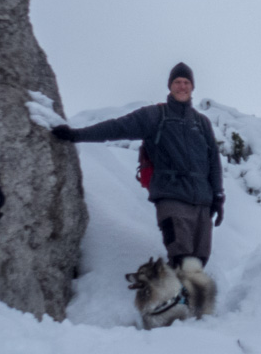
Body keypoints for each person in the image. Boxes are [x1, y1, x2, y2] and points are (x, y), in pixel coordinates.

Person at [53, 62, 224, 272]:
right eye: (177, 82)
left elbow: (213, 161)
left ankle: (186, 302)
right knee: (181, 256)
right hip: (171, 196)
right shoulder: (154, 115)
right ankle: (172, 300)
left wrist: (218, 196)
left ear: (192, 87)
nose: (182, 86)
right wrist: (77, 135)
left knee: (198, 263)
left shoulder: (201, 122)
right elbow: (116, 127)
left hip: (202, 202)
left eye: (186, 82)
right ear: (170, 86)